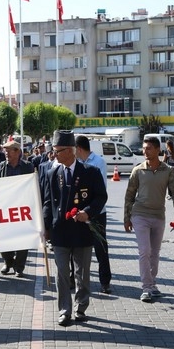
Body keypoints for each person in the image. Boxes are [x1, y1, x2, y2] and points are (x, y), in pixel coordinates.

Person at [42, 130, 107, 326]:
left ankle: (81, 306)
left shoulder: (90, 172)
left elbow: (101, 197)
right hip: (60, 231)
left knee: (82, 272)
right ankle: (64, 310)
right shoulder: (52, 173)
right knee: (62, 272)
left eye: (58, 151)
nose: (54, 155)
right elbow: (47, 202)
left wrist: (88, 211)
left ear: (70, 150)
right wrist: (45, 227)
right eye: (53, 151)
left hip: (82, 230)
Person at [124, 136, 174, 303]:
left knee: (155, 253)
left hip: (158, 216)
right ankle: (146, 287)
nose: (145, 151)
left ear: (158, 150)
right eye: (144, 148)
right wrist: (126, 218)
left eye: (148, 148)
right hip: (140, 215)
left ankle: (152, 283)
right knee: (144, 251)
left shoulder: (168, 171)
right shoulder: (138, 170)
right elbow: (129, 195)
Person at [75, 135, 113, 294]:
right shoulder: (75, 163)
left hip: (96, 212)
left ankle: (105, 281)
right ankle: (75, 280)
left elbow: (101, 189)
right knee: (77, 247)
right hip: (78, 213)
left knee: (100, 247)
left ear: (78, 149)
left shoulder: (98, 162)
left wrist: (89, 210)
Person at [0, 139, 34, 277]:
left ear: (18, 152)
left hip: (22, 209)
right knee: (3, 238)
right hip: (5, 208)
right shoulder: (1, 167)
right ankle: (8, 261)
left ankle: (19, 266)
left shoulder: (28, 166)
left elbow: (32, 186)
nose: (6, 153)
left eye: (9, 150)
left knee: (23, 239)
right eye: (5, 150)